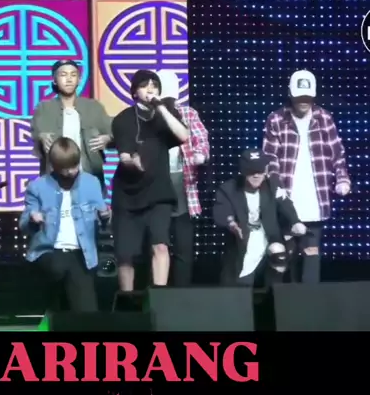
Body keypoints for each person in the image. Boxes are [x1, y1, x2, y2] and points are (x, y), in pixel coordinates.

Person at [262, 69, 351, 283]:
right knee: (286, 256)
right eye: (299, 97)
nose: (303, 102)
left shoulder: (324, 118)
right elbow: (269, 158)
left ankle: (310, 298)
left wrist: (342, 178)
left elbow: (337, 152)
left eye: (307, 97)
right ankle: (283, 298)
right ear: (290, 94)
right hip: (287, 200)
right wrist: (277, 187)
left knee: (311, 255)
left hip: (315, 200)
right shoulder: (276, 119)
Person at [110, 69, 189, 293]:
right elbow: (124, 157)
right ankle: (127, 299)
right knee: (125, 254)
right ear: (135, 92)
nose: (150, 90)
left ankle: (160, 298)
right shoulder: (124, 119)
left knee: (160, 245)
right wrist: (133, 163)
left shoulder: (166, 115)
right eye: (145, 86)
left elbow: (183, 136)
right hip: (128, 195)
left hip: (158, 193)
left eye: (154, 86)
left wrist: (161, 107)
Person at [19, 136, 111, 312]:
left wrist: (105, 216)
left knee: (87, 312)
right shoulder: (38, 187)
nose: (72, 172)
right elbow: (24, 225)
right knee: (58, 268)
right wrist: (32, 217)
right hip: (49, 251)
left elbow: (102, 219)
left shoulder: (91, 183)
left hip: (81, 253)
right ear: (54, 166)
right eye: (66, 168)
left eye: (75, 166)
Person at [213, 149, 306, 286]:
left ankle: (274, 290)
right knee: (239, 281)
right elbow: (222, 212)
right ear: (243, 171)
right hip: (244, 239)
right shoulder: (229, 189)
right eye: (251, 171)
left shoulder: (273, 185)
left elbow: (286, 205)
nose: (256, 175)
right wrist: (232, 225)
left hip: (269, 236)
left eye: (260, 171)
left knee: (278, 251)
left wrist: (295, 222)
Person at [156, 70, 210, 286]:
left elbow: (201, 139)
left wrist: (200, 155)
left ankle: (182, 292)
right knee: (157, 245)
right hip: (155, 184)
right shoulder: (149, 115)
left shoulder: (188, 113)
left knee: (183, 245)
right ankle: (157, 291)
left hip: (183, 184)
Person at [30, 60, 113, 192]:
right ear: (54, 80)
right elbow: (36, 132)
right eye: (63, 75)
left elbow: (114, 134)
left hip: (89, 176)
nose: (69, 79)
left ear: (79, 80)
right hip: (54, 180)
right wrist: (41, 136)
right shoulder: (44, 108)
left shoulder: (94, 107)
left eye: (73, 75)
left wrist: (107, 138)